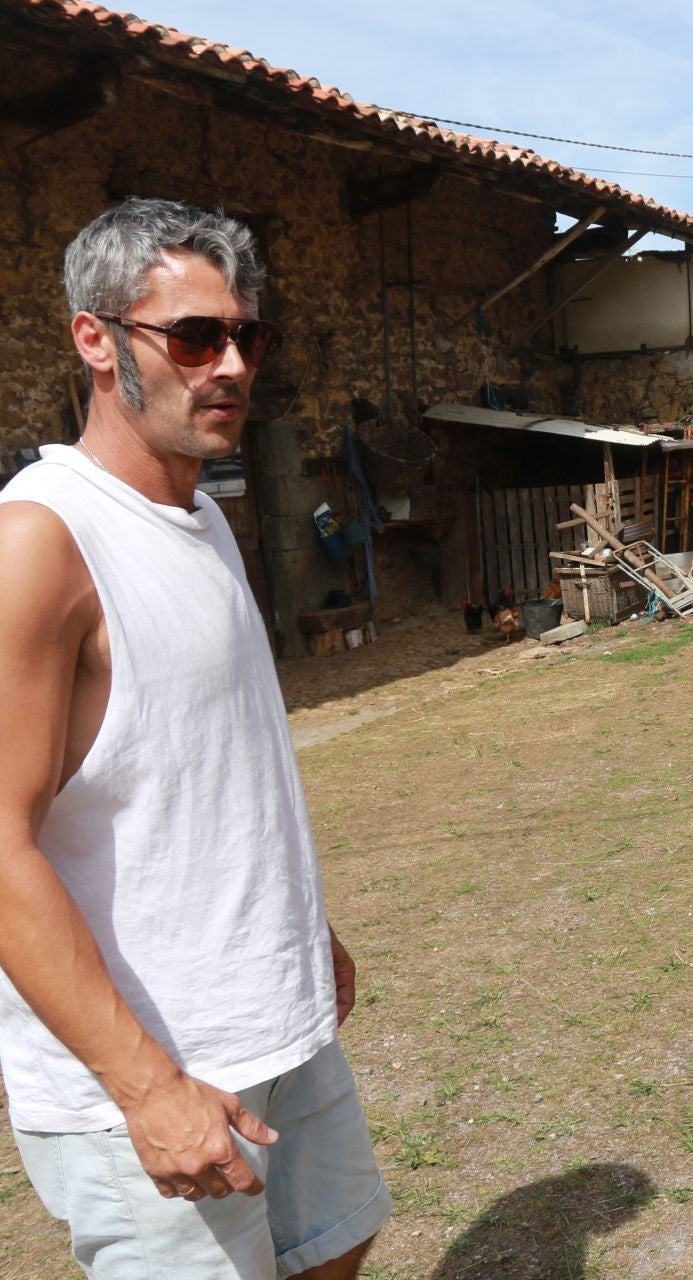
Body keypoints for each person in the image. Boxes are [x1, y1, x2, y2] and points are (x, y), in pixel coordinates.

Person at [0, 198, 390, 1278]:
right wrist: (147, 1087)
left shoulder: (204, 513)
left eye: (244, 336)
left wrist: (299, 928)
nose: (229, 366)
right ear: (95, 338)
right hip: (154, 1071)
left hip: (270, 1019)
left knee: (335, 1243)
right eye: (192, 337)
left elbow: (202, 766)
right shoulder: (42, 543)